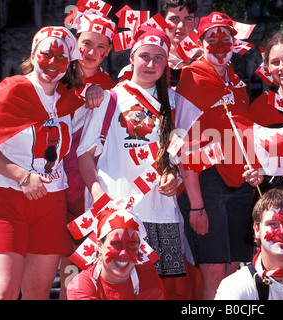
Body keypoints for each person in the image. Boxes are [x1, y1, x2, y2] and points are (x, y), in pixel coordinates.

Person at [77, 26, 187, 299]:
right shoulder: (109, 98)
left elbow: (177, 155)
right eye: (144, 56)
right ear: (132, 58)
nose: (151, 64)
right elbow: (84, 155)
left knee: (163, 292)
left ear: (167, 62)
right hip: (117, 215)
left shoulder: (175, 103)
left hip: (161, 212)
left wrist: (173, 175)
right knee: (113, 291)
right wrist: (99, 195)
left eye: (159, 58)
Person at [175, 12, 257, 299]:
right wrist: (196, 204)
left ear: (235, 43)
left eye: (226, 39)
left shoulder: (236, 81)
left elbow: (242, 134)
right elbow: (182, 142)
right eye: (213, 40)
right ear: (201, 44)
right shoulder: (192, 78)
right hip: (206, 181)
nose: (221, 46)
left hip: (239, 184)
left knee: (235, 271)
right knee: (214, 272)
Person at [0, 26, 84, 299]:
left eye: (61, 58)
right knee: (5, 290)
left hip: (52, 202)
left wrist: (94, 91)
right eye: (46, 54)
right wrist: (22, 176)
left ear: (69, 62)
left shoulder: (71, 100)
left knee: (38, 292)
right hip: (9, 200)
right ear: (34, 55)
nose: (52, 63)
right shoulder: (11, 90)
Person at [60, 5, 117, 299]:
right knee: (61, 256)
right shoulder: (56, 78)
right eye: (86, 44)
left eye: (100, 47)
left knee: (85, 255)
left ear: (107, 52)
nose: (91, 52)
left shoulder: (109, 86)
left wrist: (96, 89)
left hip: (87, 180)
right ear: (75, 44)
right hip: (54, 179)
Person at [244, 31, 283, 200]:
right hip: (272, 200)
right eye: (275, 62)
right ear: (268, 68)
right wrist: (254, 173)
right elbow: (254, 159)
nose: (282, 67)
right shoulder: (259, 108)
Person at [67, 208, 166, 300]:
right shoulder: (81, 285)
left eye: (132, 245)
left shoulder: (150, 283)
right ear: (99, 246)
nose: (124, 253)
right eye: (116, 244)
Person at [159, 0, 199, 87]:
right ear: (162, 22)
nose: (181, 26)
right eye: (174, 19)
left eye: (188, 19)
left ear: (195, 23)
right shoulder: (151, 63)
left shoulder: (208, 61)